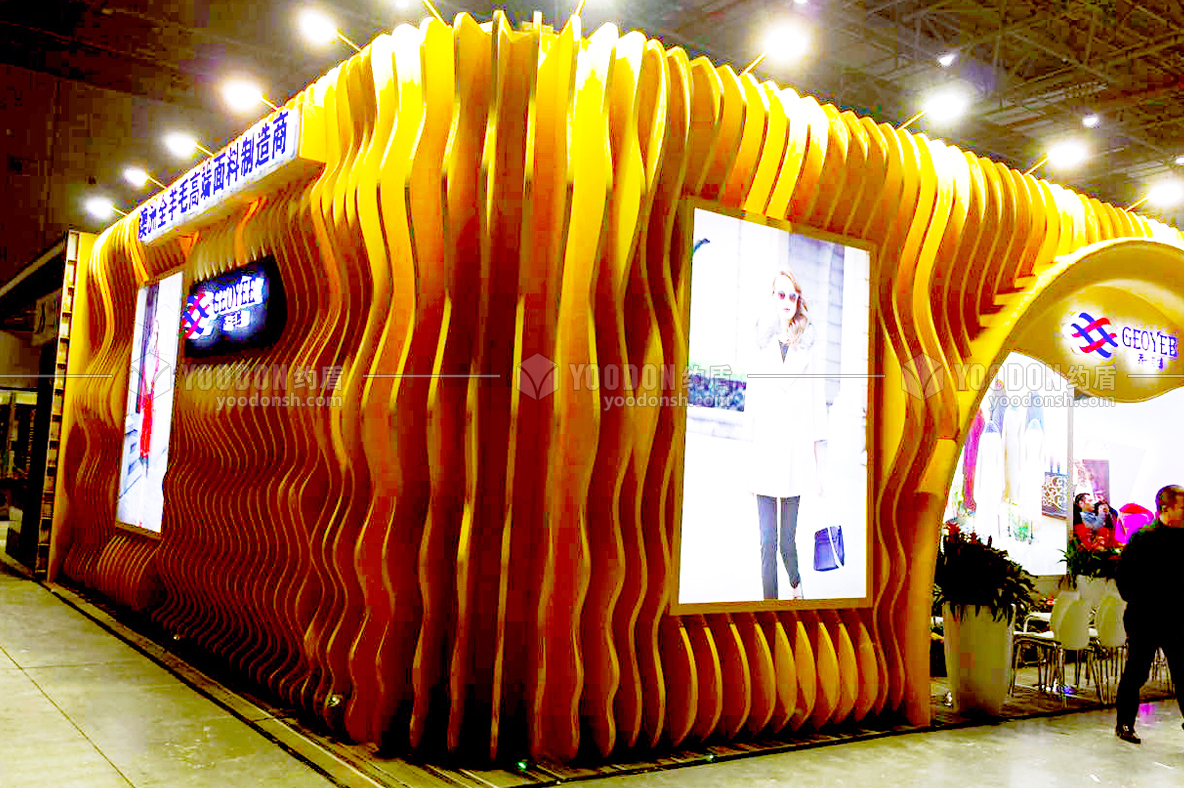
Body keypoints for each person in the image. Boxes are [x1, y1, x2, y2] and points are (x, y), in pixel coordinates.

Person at [746, 266, 826, 600]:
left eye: (793, 296)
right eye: (781, 294)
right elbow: (752, 406)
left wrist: (819, 473)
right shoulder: (761, 344)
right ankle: (770, 609)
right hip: (765, 455)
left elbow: (817, 409)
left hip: (795, 458)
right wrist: (747, 466)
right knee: (767, 543)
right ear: (772, 297)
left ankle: (796, 589)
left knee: (786, 544)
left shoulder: (808, 346)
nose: (787, 301)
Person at [1113, 484, 1184, 744]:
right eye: (1182, 507)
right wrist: (1141, 600)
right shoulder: (1143, 539)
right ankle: (1124, 723)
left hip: (1177, 618)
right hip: (1145, 618)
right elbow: (1124, 578)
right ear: (1165, 508)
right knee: (1137, 671)